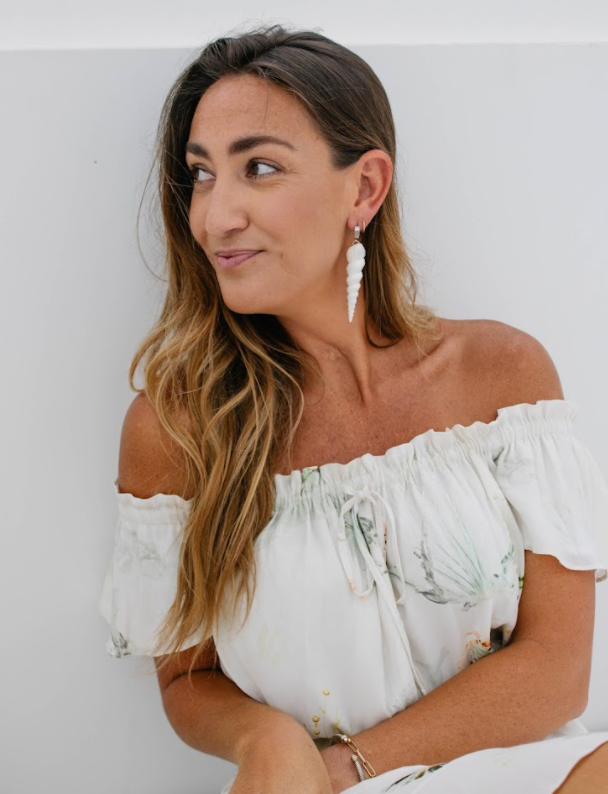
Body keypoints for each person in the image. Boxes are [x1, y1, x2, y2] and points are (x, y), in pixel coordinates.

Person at [98, 23, 608, 793]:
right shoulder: (177, 430)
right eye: (201, 174)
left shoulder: (503, 377)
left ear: (364, 188)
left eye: (258, 168)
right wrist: (262, 738)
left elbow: (558, 670)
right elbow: (187, 678)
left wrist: (344, 769)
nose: (215, 216)